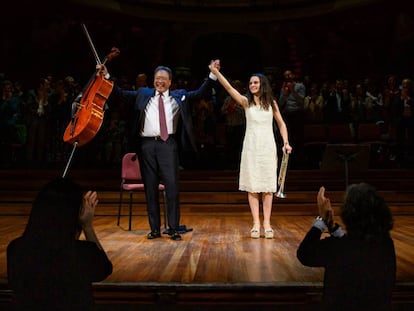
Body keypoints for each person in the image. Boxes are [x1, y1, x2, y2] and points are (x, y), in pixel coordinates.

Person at [99, 61, 219, 240]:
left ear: (170, 82)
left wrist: (213, 74)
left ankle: (172, 228)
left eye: (163, 79)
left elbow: (202, 92)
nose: (160, 82)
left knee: (172, 188)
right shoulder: (143, 93)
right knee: (150, 188)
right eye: (157, 79)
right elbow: (119, 94)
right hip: (147, 146)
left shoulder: (180, 95)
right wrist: (106, 76)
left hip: (168, 145)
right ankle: (154, 229)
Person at [209, 61, 292, 239]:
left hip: (268, 147)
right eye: (251, 83)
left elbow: (281, 124)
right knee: (253, 187)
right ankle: (256, 223)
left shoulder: (272, 103)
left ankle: (267, 223)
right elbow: (230, 89)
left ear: (263, 85)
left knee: (268, 187)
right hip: (251, 148)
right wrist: (215, 72)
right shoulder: (246, 102)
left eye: (256, 82)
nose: (252, 85)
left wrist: (285, 142)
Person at [7, 177, 113, 311]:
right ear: (74, 214)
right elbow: (104, 269)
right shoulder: (81, 253)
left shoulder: (16, 248)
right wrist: (87, 226)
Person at [297, 183, 396, 311]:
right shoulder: (386, 244)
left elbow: (304, 254)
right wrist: (332, 227)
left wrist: (321, 219)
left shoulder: (337, 248)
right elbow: (355, 247)